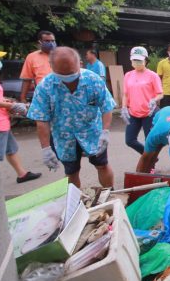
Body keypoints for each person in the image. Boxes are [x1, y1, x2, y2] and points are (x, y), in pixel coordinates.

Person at [27, 47, 116, 188]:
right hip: (64, 137)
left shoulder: (93, 80)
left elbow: (107, 106)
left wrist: (105, 132)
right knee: (71, 172)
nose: (68, 78)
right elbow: (41, 120)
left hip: (93, 133)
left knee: (102, 165)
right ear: (52, 67)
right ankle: (75, 203)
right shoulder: (45, 87)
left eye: (71, 73)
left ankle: (110, 193)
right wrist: (46, 148)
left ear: (79, 64)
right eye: (62, 74)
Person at [0, 45, 42, 183]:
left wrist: (7, 101)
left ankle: (22, 174)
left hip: (1, 121)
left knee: (11, 149)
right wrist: (12, 105)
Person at [121, 46, 163, 155]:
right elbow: (125, 94)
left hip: (149, 113)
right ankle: (148, 156)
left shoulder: (153, 76)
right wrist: (124, 107)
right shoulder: (128, 75)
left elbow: (160, 94)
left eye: (139, 60)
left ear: (145, 60)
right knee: (129, 140)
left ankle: (150, 163)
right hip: (133, 113)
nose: (137, 62)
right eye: (134, 60)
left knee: (149, 141)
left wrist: (154, 100)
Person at [19, 30, 56, 103]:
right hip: (41, 97)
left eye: (52, 41)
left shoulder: (62, 55)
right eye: (47, 41)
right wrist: (23, 99)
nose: (51, 43)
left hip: (61, 96)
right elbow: (27, 79)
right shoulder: (31, 57)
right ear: (40, 42)